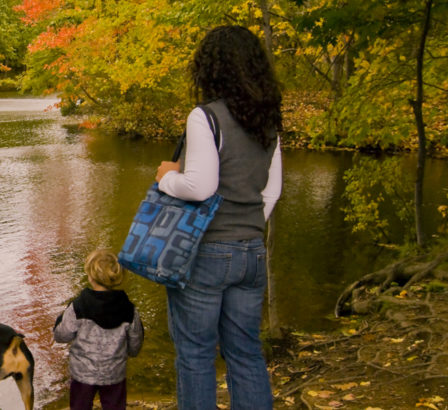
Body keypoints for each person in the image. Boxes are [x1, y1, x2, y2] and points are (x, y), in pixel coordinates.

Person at [155, 25, 283, 409]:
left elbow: (199, 187)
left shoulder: (205, 117)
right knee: (245, 353)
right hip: (252, 253)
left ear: (210, 68)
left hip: (206, 253)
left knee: (195, 356)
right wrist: (245, 228)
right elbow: (271, 191)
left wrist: (166, 180)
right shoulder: (267, 120)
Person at [53, 249, 144, 410]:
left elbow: (62, 335)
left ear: (91, 276)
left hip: (83, 374)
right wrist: (130, 352)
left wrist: (59, 321)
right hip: (114, 373)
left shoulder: (78, 306)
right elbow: (135, 341)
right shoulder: (129, 309)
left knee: (80, 406)